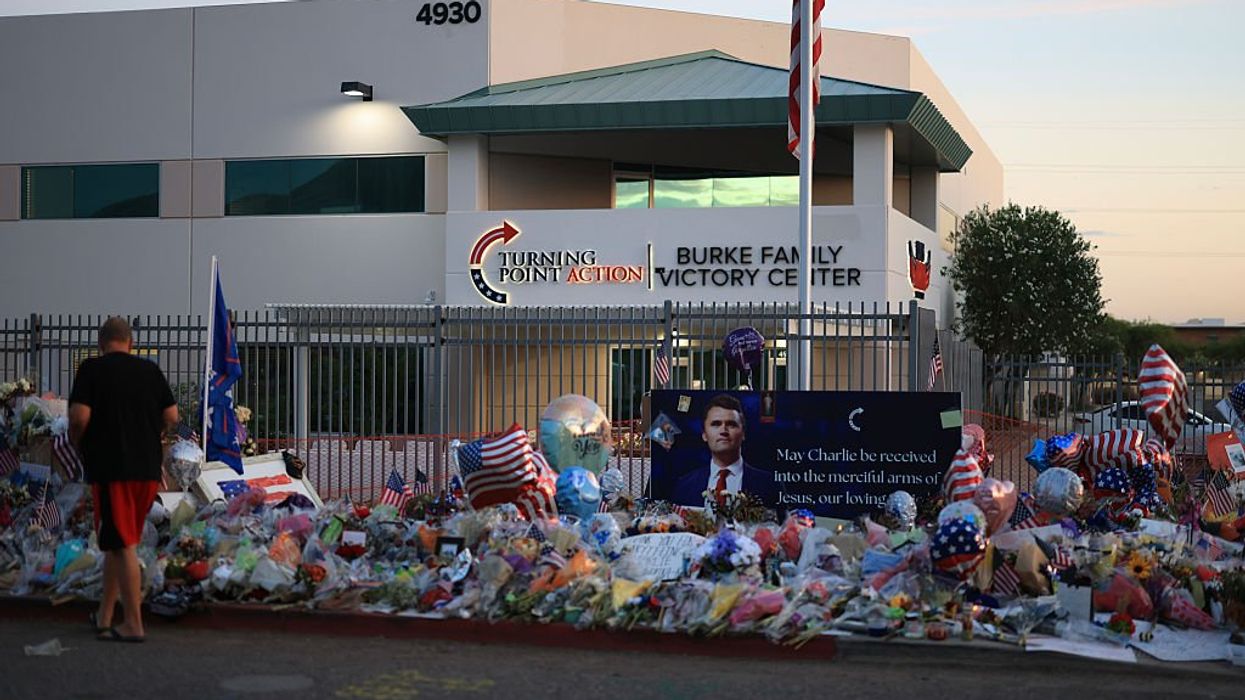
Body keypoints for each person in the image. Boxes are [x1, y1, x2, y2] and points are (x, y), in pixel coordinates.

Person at [69, 317, 178, 642]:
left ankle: (133, 623)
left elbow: (79, 417)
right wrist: (152, 439)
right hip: (147, 471)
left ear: (102, 344)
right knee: (116, 542)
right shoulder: (150, 371)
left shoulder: (92, 369)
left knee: (123, 544)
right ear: (130, 343)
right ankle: (105, 615)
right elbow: (172, 417)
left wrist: (79, 443)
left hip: (113, 469)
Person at [672, 394, 776, 507]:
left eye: (731, 424)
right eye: (716, 424)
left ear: (743, 434)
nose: (723, 430)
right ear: (704, 435)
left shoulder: (769, 484)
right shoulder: (685, 485)